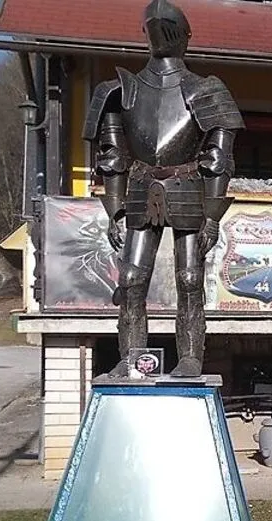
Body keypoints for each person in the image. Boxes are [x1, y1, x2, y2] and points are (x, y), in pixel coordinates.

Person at [83, 0, 243, 377]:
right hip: (141, 186)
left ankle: (190, 357)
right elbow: (113, 155)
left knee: (189, 279)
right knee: (131, 279)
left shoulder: (206, 90)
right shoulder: (119, 91)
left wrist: (212, 216)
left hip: (187, 185)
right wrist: (115, 209)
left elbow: (219, 158)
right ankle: (133, 359)